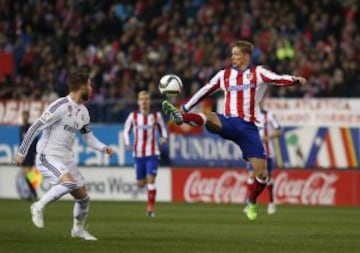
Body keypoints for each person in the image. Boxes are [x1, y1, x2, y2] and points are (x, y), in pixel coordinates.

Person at [162, 40, 306, 221]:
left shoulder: (258, 73)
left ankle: (251, 202)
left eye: (236, 54)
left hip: (249, 129)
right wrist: (185, 107)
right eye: (232, 54)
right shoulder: (224, 75)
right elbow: (205, 90)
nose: (232, 57)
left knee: (262, 174)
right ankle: (181, 117)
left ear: (246, 56)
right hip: (229, 121)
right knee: (210, 116)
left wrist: (294, 80)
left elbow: (277, 79)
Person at [14, 68, 113, 240]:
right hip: (47, 156)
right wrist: (21, 152)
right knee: (69, 183)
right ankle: (38, 205)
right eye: (89, 84)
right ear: (82, 86)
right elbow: (35, 127)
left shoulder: (84, 112)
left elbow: (89, 138)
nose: (91, 88)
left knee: (83, 198)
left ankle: (77, 230)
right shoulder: (59, 106)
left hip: (66, 159)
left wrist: (103, 147)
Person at [123, 90, 168, 217]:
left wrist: (164, 137)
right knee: (141, 184)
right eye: (142, 99)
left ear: (150, 101)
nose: (144, 101)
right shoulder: (133, 116)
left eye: (147, 99)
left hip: (152, 153)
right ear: (138, 101)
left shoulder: (156, 115)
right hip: (138, 154)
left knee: (151, 180)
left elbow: (163, 129)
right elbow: (126, 131)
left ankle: (150, 207)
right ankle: (150, 202)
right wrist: (127, 143)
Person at [244, 99, 282, 215]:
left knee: (268, 177)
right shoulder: (248, 115)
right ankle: (250, 203)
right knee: (251, 175)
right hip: (253, 152)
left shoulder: (269, 115)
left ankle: (271, 203)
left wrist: (268, 137)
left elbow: (279, 130)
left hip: (268, 152)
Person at [19, 110, 39, 201]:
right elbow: (21, 142)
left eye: (26, 116)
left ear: (28, 116)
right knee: (26, 174)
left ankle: (33, 194)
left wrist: (34, 153)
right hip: (24, 154)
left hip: (30, 153)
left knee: (28, 174)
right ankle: (33, 193)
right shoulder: (21, 128)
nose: (24, 117)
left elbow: (35, 140)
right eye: (23, 116)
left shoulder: (30, 127)